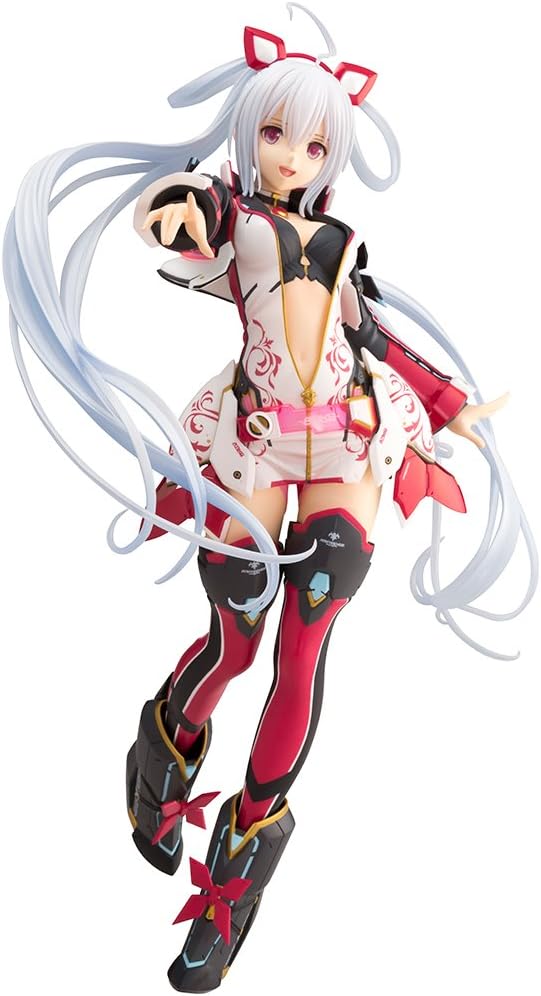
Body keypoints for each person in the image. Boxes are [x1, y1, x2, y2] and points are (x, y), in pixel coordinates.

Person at [4, 4, 537, 992]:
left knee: (306, 640)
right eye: (277, 133)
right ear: (250, 130)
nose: (292, 155)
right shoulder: (234, 215)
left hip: (345, 443)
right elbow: (185, 211)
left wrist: (445, 400)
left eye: (315, 143)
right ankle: (165, 745)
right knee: (238, 640)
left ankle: (237, 879)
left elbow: (368, 330)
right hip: (250, 446)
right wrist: (172, 208)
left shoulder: (337, 238)